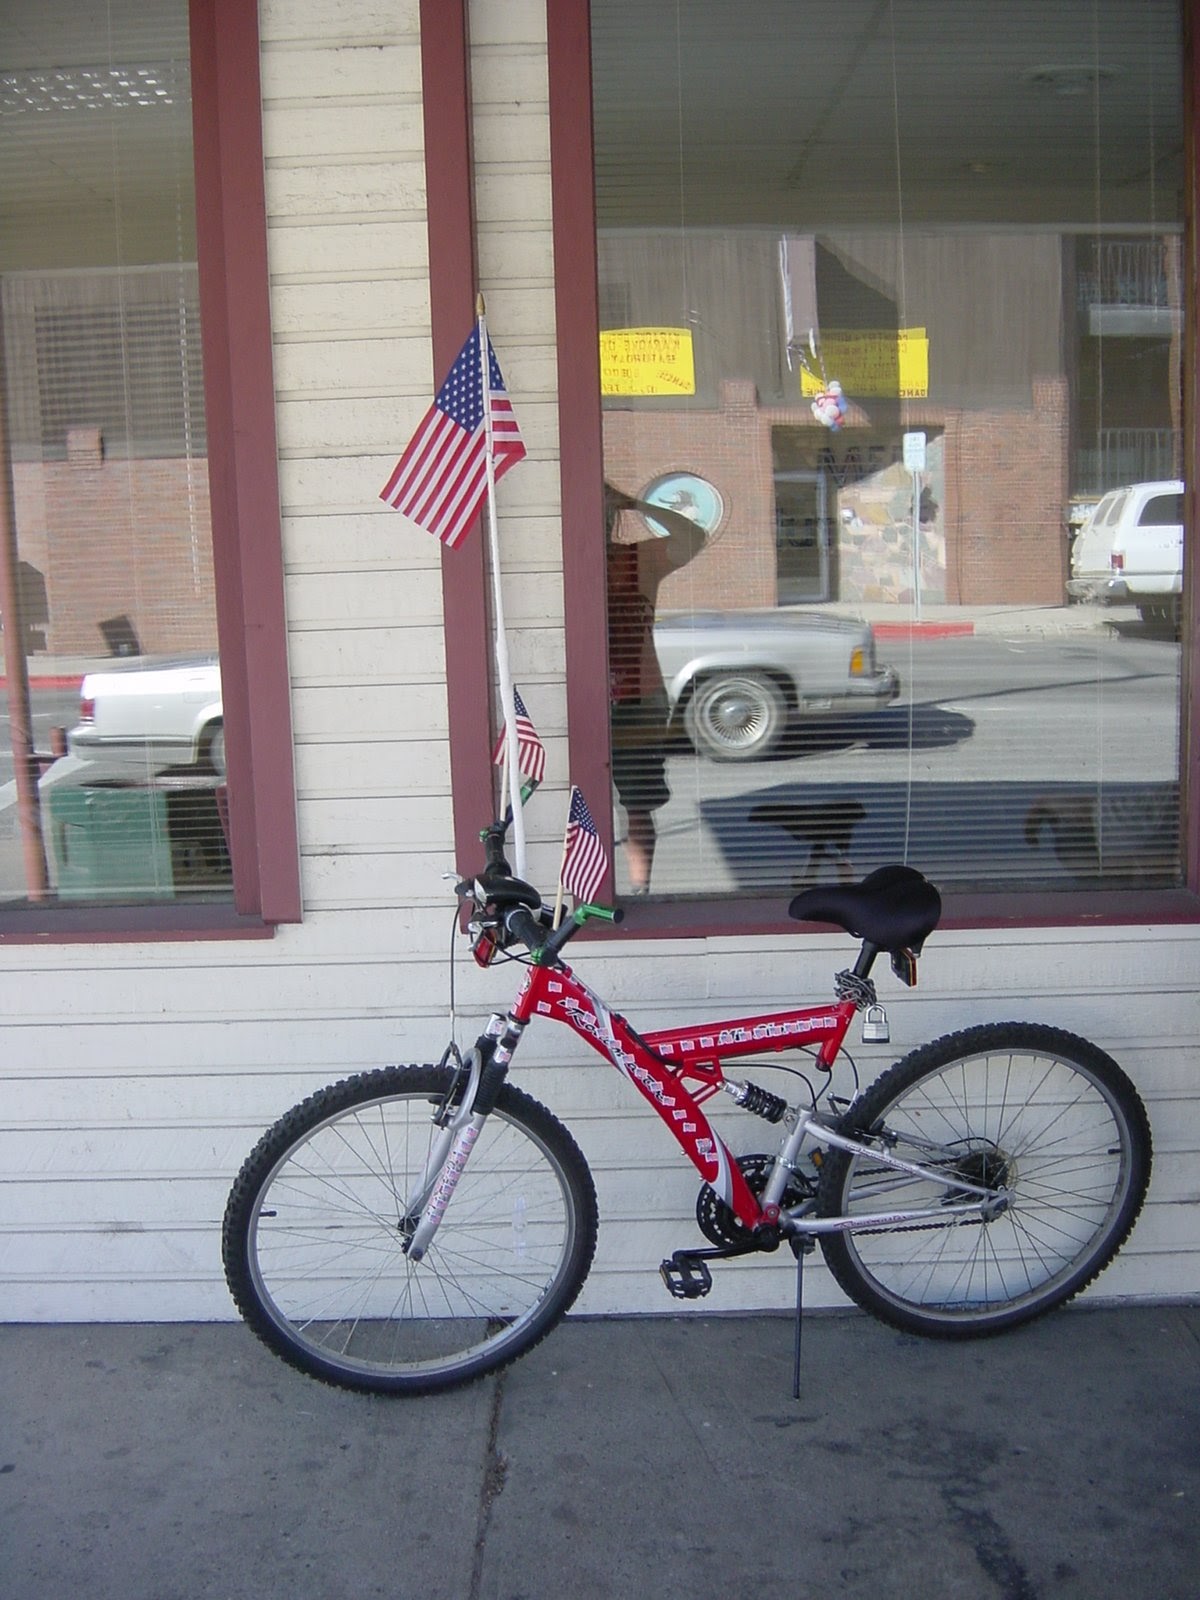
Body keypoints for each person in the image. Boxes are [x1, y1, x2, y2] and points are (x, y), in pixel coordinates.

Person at [605, 482, 707, 893]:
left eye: (605, 511)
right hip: (582, 696)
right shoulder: (564, 564)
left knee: (637, 803)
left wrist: (635, 504)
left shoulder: (638, 559)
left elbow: (692, 537)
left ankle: (638, 889)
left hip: (637, 698)